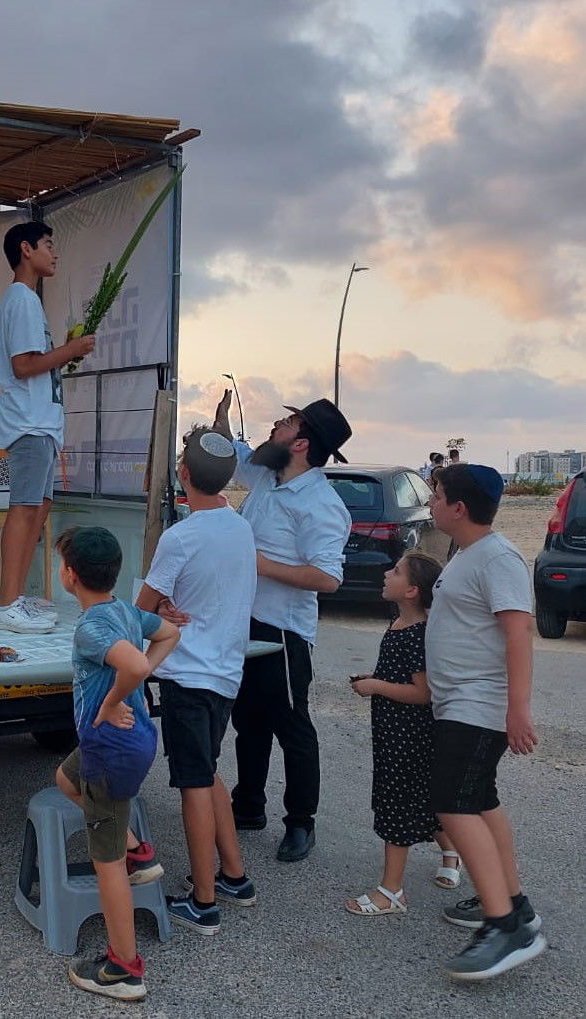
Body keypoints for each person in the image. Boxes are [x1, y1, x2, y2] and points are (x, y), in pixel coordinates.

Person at [205, 391, 353, 863]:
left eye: (287, 422)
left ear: (301, 444)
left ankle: (300, 823)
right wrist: (222, 421)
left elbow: (328, 577)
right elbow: (234, 457)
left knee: (292, 727)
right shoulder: (269, 475)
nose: (276, 424)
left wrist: (259, 564)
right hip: (244, 619)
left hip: (283, 631)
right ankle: (248, 806)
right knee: (249, 720)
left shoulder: (321, 504)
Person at [136, 426, 258, 935]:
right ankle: (234, 876)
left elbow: (142, 608)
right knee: (208, 774)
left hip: (189, 675)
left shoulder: (180, 535)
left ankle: (203, 901)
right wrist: (168, 603)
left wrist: (160, 606)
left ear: (182, 476)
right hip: (226, 671)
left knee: (192, 784)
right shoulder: (240, 527)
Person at [424, 463, 545, 980]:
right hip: (460, 702)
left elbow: (518, 632)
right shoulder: (468, 553)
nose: (430, 503)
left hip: (479, 705)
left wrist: (517, 707)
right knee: (480, 800)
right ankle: (513, 905)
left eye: (436, 495)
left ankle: (505, 929)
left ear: (459, 508)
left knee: (452, 802)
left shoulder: (498, 558)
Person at [55, 526, 180, 1002]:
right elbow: (169, 632)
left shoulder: (91, 626)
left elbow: (137, 667)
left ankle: (124, 969)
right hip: (128, 739)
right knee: (65, 778)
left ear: (69, 575)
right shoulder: (126, 610)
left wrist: (110, 703)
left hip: (111, 746)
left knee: (104, 863)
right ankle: (139, 852)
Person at [0, 221, 96, 634]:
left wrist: (62, 351)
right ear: (26, 249)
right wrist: (69, 350)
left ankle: (14, 597)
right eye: (49, 245)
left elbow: (35, 361)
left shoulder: (28, 301)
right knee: (25, 508)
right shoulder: (22, 300)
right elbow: (23, 365)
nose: (55, 253)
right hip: (28, 423)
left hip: (42, 423)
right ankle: (6, 604)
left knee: (38, 509)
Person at [345, 550, 463, 917]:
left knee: (398, 805)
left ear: (412, 590)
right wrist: (376, 679)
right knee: (425, 800)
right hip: (393, 733)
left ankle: (391, 891)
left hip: (409, 738)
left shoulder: (419, 634)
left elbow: (422, 693)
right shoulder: (399, 625)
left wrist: (377, 686)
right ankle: (451, 852)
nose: (385, 574)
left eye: (395, 571)